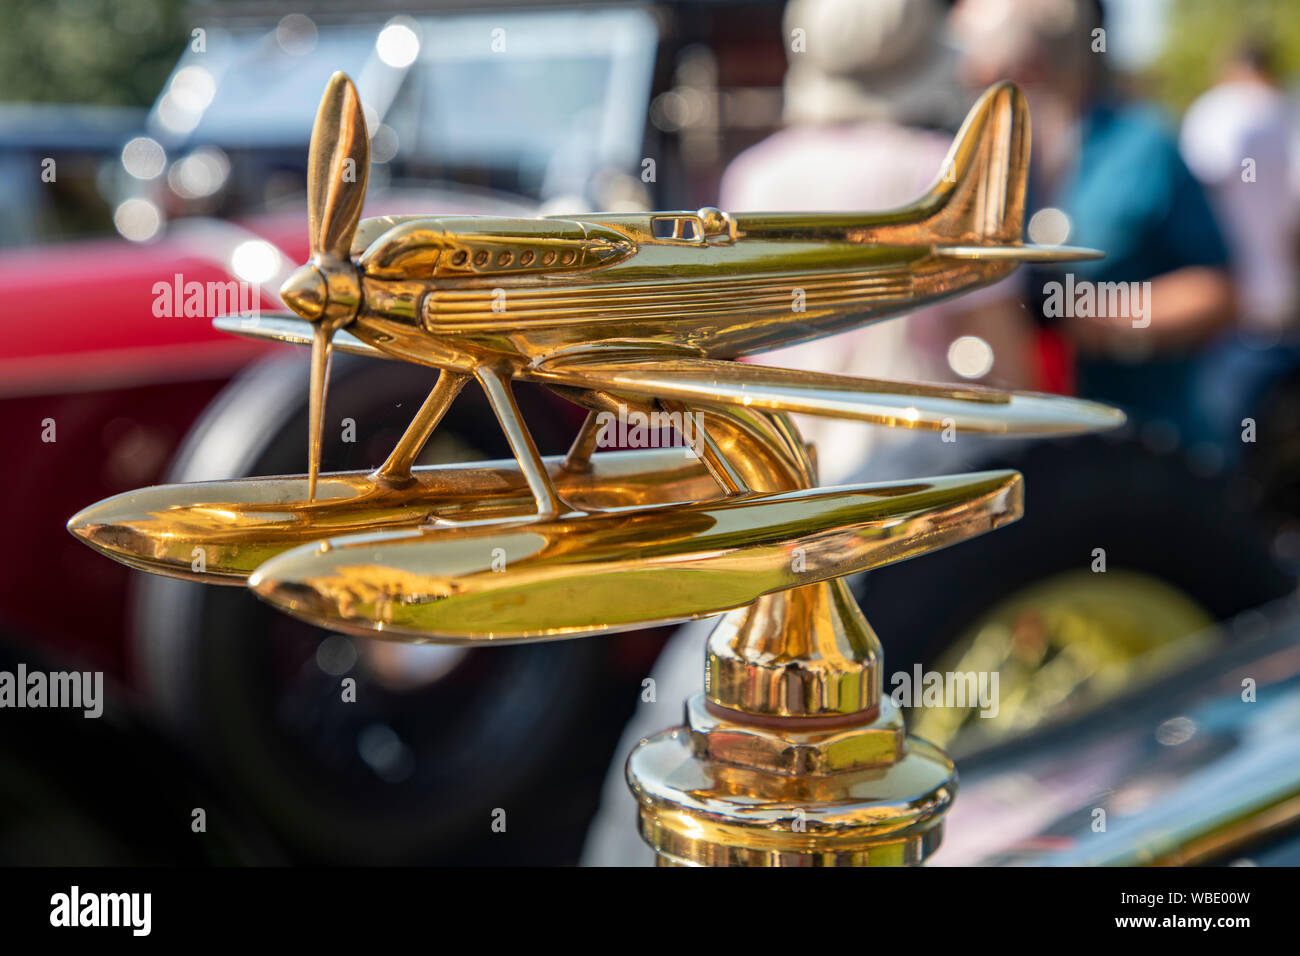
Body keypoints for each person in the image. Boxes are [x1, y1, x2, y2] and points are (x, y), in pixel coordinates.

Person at [719, 0, 1035, 484]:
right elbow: (1005, 368)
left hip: (785, 473)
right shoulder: (954, 177)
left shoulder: (753, 177)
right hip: (919, 479)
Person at [951, 0, 1237, 450]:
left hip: (1141, 437)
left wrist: (1102, 319)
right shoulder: (963, 157)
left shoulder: (1143, 145)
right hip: (1009, 447)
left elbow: (1217, 291)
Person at [1181, 40, 1299, 457]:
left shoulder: (1218, 111)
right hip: (1280, 320)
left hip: (1227, 327)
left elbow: (1192, 195)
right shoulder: (1288, 114)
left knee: (1218, 466)